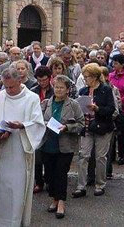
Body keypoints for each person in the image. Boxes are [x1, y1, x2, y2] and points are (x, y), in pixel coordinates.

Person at [0, 66, 46, 226]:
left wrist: (22, 126)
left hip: (20, 153)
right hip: (1, 151)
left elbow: (38, 124)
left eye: (12, 86)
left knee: (16, 191)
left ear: (20, 80)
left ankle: (14, 222)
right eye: (6, 86)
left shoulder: (32, 98)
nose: (8, 90)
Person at [40, 75, 85, 219]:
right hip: (48, 144)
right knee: (50, 175)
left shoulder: (73, 104)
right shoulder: (46, 103)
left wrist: (66, 127)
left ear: (67, 90)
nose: (58, 90)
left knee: (61, 174)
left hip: (65, 146)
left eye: (61, 88)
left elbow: (81, 124)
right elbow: (38, 119)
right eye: (56, 87)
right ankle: (54, 198)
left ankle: (61, 202)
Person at [73, 63, 115, 198]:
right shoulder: (83, 91)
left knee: (100, 157)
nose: (85, 80)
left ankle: (100, 184)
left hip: (102, 127)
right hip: (86, 127)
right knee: (83, 155)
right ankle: (81, 185)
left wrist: (98, 109)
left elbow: (111, 109)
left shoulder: (106, 90)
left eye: (87, 77)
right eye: (84, 77)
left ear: (95, 77)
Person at [31, 66, 53, 193]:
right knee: (37, 159)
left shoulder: (54, 91)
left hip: (50, 126)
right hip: (37, 126)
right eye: (39, 80)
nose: (41, 83)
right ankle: (39, 182)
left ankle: (49, 180)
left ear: (49, 78)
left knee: (49, 157)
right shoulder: (34, 91)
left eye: (44, 80)